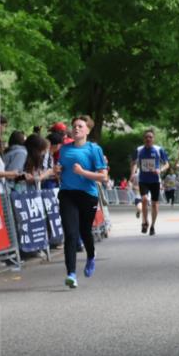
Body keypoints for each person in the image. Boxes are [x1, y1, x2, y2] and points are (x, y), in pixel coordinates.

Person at [55, 115, 107, 288]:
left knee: (85, 231)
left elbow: (103, 176)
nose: (76, 128)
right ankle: (71, 273)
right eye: (74, 126)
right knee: (70, 234)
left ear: (88, 130)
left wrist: (83, 172)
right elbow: (60, 170)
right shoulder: (63, 149)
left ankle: (91, 256)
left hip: (87, 195)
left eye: (80, 126)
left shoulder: (94, 149)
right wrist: (57, 170)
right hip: (67, 194)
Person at [135, 129, 169, 235]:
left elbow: (167, 164)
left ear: (153, 139)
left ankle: (153, 225)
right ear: (144, 139)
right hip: (143, 180)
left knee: (154, 204)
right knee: (144, 199)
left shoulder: (159, 150)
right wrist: (132, 173)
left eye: (150, 137)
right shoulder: (139, 150)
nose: (148, 139)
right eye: (146, 137)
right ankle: (145, 222)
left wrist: (160, 170)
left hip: (155, 180)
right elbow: (133, 162)